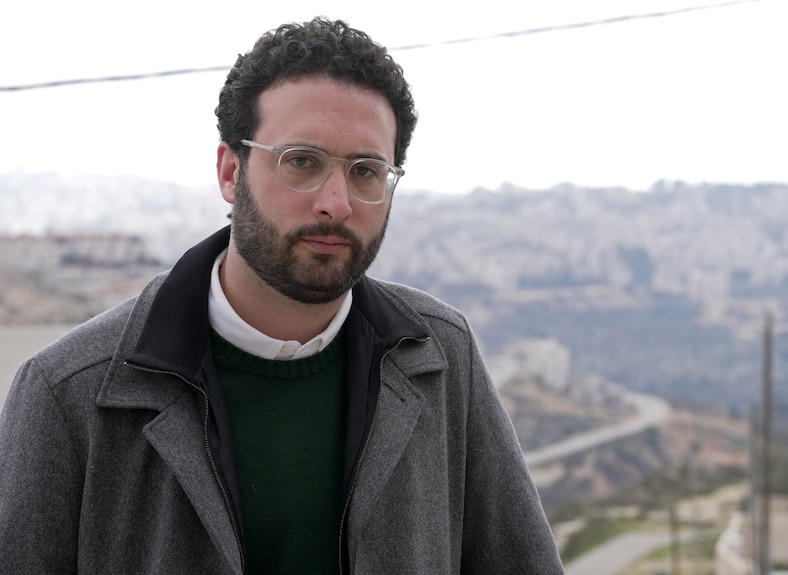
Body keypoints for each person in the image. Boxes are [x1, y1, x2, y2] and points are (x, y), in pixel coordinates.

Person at [0, 17, 564, 575]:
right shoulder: (70, 393)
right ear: (230, 171)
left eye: (367, 171)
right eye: (302, 162)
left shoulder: (439, 356)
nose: (336, 203)